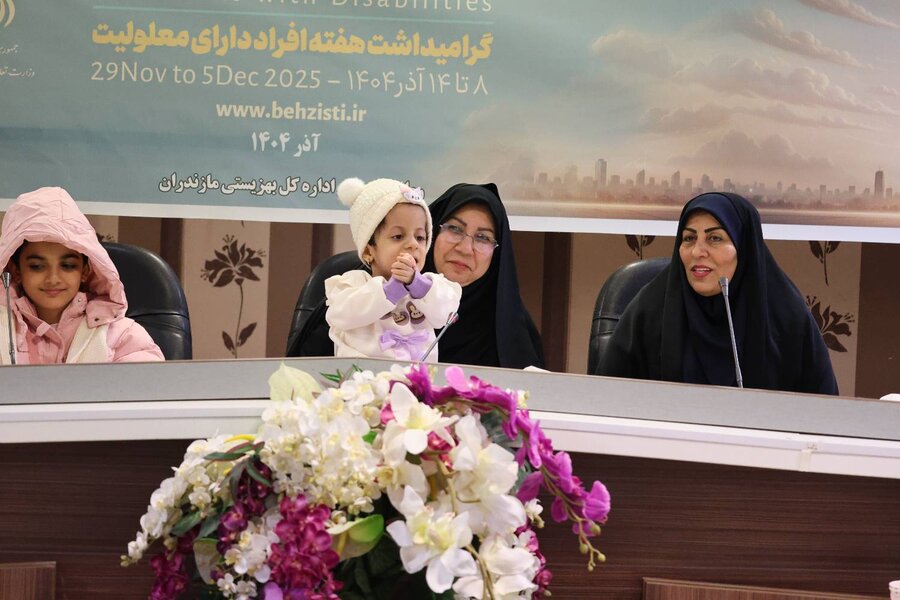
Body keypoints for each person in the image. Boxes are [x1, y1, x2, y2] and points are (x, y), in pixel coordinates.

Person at [597, 192, 838, 395]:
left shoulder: (787, 318)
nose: (697, 252)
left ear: (744, 248)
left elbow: (822, 413)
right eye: (689, 238)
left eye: (714, 238)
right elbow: (606, 400)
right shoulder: (649, 310)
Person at [0, 187, 164, 364]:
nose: (53, 279)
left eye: (68, 266)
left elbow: (150, 381)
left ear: (85, 271)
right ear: (16, 271)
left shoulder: (122, 336)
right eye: (37, 266)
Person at [324, 177, 461, 361]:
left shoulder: (432, 287)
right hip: (363, 376)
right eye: (398, 236)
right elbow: (339, 316)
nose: (413, 244)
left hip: (417, 377)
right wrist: (389, 291)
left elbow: (445, 313)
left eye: (420, 237)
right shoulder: (354, 283)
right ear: (368, 251)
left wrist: (418, 285)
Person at [424, 183, 545, 369]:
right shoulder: (387, 299)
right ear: (431, 232)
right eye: (455, 228)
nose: (465, 249)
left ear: (497, 253)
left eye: (482, 237)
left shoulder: (512, 332)